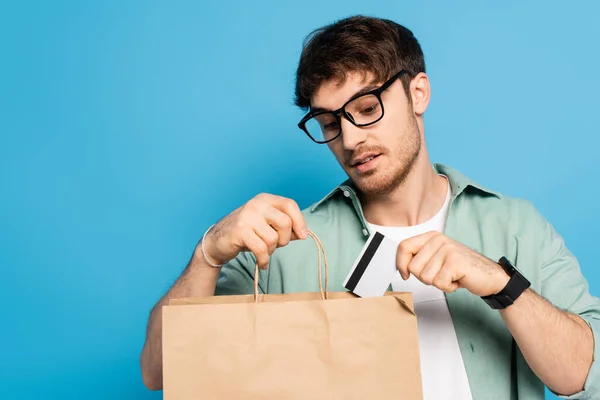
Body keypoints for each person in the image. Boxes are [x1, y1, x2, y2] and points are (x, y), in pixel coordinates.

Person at [140, 15, 600, 399]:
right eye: (329, 122)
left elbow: (584, 373)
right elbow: (161, 372)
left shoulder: (515, 226)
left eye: (366, 108)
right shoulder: (287, 243)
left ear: (418, 94)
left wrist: (501, 284)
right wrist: (209, 253)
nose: (351, 138)